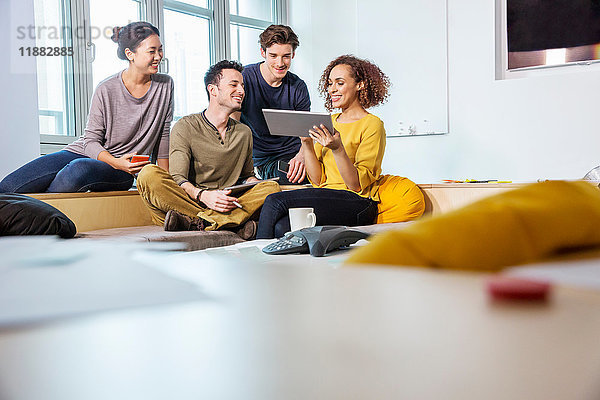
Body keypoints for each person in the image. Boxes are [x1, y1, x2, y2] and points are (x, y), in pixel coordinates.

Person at [0, 22, 172, 193]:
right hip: (87, 153)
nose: (158, 56)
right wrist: (115, 161)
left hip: (124, 169)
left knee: (78, 169)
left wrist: (166, 182)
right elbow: (90, 141)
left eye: (160, 50)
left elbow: (163, 135)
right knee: (8, 187)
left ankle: (41, 215)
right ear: (130, 54)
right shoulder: (106, 88)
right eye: (152, 51)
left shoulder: (165, 85)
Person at [136, 60, 280, 238]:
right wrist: (204, 195)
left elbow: (245, 176)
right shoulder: (186, 126)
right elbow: (178, 179)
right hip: (190, 200)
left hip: (227, 202)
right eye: (233, 85)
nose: (242, 91)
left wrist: (256, 183)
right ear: (213, 90)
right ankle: (226, 223)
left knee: (271, 187)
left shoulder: (244, 132)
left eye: (242, 85)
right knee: (148, 174)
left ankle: (196, 223)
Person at [256, 55, 391, 239]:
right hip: (326, 194)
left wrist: (338, 149)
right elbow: (317, 181)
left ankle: (256, 259)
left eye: (339, 83)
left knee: (274, 201)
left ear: (360, 85)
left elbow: (356, 185)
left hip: (359, 202)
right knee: (282, 227)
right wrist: (306, 144)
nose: (332, 89)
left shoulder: (373, 125)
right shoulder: (329, 122)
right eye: (329, 83)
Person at [234, 24, 310, 185]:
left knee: (328, 175)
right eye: (273, 55)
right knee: (292, 177)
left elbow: (305, 132)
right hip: (263, 160)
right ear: (263, 53)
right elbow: (232, 126)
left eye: (286, 56)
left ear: (293, 55)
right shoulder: (245, 79)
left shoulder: (298, 86)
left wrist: (302, 156)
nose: (280, 63)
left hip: (295, 154)